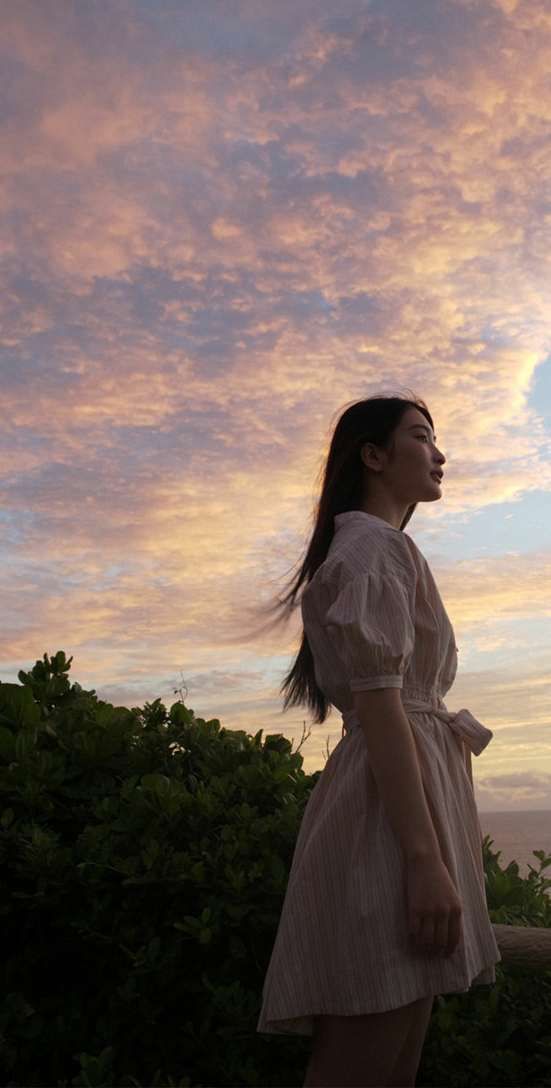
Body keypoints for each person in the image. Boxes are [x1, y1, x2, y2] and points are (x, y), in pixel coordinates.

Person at [258, 395, 499, 1088]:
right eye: (421, 436)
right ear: (373, 454)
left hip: (400, 804)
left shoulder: (379, 548)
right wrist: (425, 861)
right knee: (359, 1066)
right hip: (391, 824)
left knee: (394, 1066)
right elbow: (385, 705)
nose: (438, 451)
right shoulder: (372, 549)